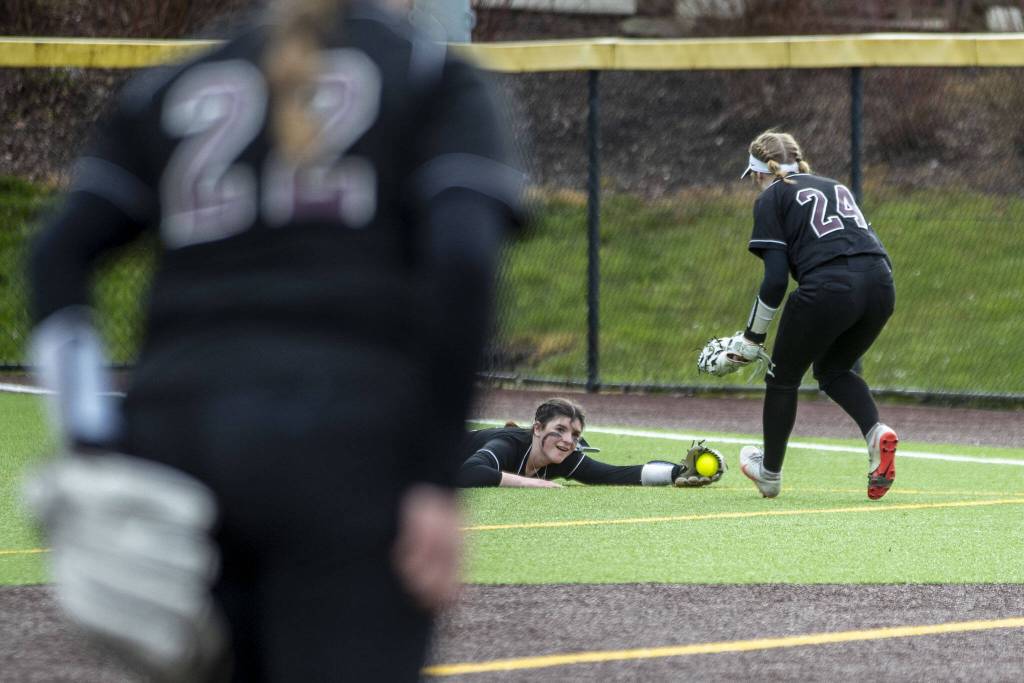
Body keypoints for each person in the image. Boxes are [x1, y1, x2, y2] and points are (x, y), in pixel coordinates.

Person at [24, 1, 523, 681]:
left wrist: (90, 442)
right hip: (349, 451)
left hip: (179, 447)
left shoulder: (177, 83)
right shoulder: (433, 76)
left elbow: (55, 257)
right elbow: (464, 265)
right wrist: (435, 479)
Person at [722, 130, 898, 500]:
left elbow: (774, 282)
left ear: (757, 171)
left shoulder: (772, 195)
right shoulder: (835, 185)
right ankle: (876, 433)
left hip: (830, 286)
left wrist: (752, 339)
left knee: (783, 378)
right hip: (881, 284)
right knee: (834, 370)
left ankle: (768, 473)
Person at [457, 398, 725, 488]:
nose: (567, 441)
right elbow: (470, 472)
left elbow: (614, 474)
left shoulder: (564, 457)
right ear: (537, 429)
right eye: (559, 430)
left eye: (574, 434)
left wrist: (678, 473)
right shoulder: (509, 444)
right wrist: (535, 483)